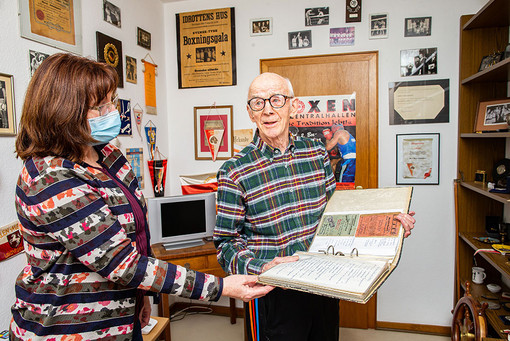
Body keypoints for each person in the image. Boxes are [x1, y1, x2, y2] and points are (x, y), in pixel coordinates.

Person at [10, 53, 273, 340]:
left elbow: (137, 231)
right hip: (68, 328)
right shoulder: (50, 177)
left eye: (111, 100)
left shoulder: (107, 155)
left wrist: (142, 294)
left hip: (121, 319)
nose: (113, 111)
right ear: (62, 112)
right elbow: (121, 264)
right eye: (100, 106)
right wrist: (222, 287)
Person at [214, 72, 416, 341]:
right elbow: (226, 243)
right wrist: (259, 267)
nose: (268, 110)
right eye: (258, 103)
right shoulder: (234, 171)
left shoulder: (317, 153)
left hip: (324, 285)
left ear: (292, 105)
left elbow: (337, 217)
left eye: (276, 99)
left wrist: (387, 226)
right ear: (250, 113)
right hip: (272, 294)